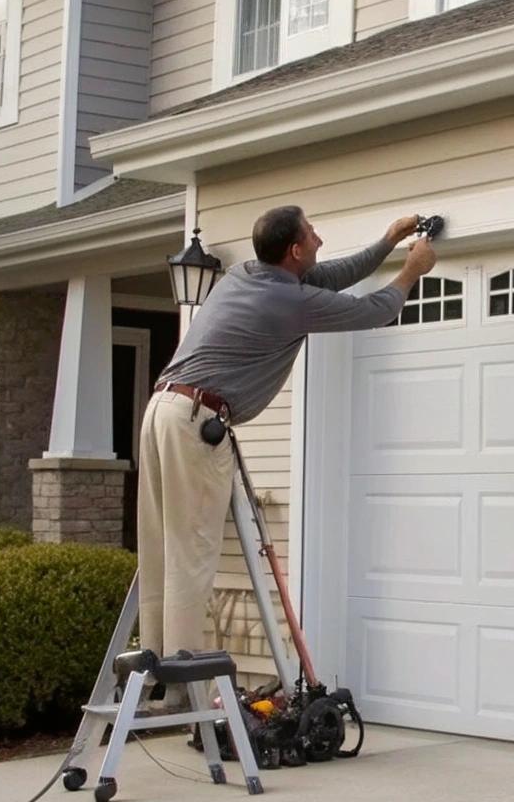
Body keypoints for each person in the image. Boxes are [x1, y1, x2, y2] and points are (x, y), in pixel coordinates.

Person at [137, 206, 436, 664]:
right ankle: (180, 679)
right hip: (196, 422)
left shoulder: (244, 275)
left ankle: (153, 667)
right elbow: (375, 310)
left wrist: (388, 240)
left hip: (164, 410)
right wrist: (412, 271)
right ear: (295, 250)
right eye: (312, 234)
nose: (320, 239)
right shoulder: (287, 301)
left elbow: (331, 276)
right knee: (191, 550)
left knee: (161, 547)